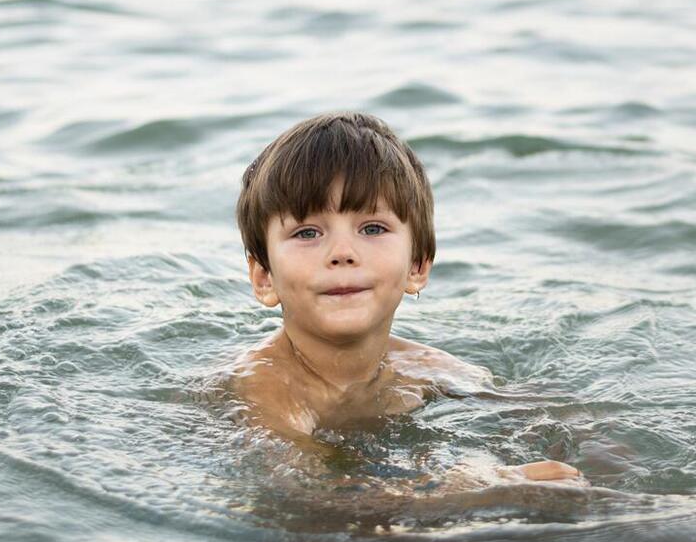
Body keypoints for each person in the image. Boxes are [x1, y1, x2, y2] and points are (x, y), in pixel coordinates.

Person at [229, 111, 585, 501]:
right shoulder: (266, 387)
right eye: (307, 232)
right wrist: (467, 486)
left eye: (373, 228)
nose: (343, 253)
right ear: (264, 277)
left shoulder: (426, 369)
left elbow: (557, 424)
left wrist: (592, 467)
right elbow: (306, 491)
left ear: (417, 266)